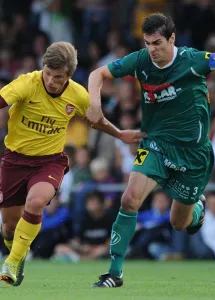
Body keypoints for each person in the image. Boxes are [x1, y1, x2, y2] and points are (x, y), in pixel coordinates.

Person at [86, 13, 215, 288]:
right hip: (155, 143)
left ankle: (196, 210)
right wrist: (95, 103)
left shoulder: (192, 60)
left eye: (158, 42)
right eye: (148, 42)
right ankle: (114, 273)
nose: (152, 49)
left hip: (193, 155)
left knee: (180, 223)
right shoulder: (140, 61)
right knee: (129, 199)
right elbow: (97, 74)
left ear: (172, 38)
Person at [0, 41, 144, 287]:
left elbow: (96, 120)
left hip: (49, 161)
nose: (50, 80)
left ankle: (12, 262)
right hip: (15, 160)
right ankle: (18, 252)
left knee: (36, 202)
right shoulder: (27, 83)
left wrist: (119, 134)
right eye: (47, 73)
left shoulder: (77, 94)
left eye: (57, 77)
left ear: (68, 75)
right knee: (9, 228)